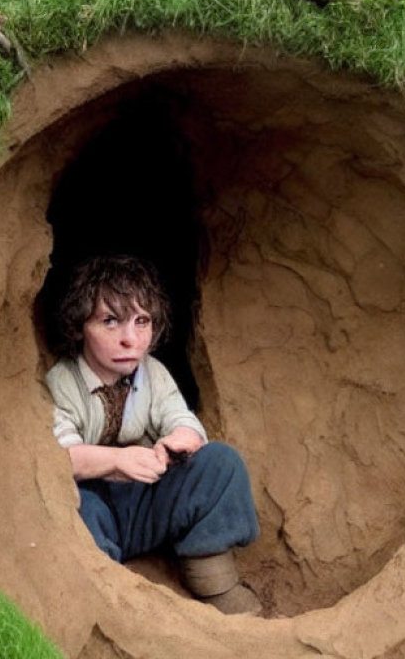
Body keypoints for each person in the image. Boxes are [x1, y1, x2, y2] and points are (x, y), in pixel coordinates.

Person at [45, 254, 261, 614]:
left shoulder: (153, 373)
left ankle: (212, 577)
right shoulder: (62, 382)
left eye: (141, 321)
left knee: (222, 463)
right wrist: (116, 459)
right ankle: (112, 600)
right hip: (96, 505)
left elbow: (184, 421)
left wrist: (179, 441)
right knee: (74, 507)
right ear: (80, 324)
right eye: (110, 321)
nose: (130, 339)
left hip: (143, 500)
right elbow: (60, 455)